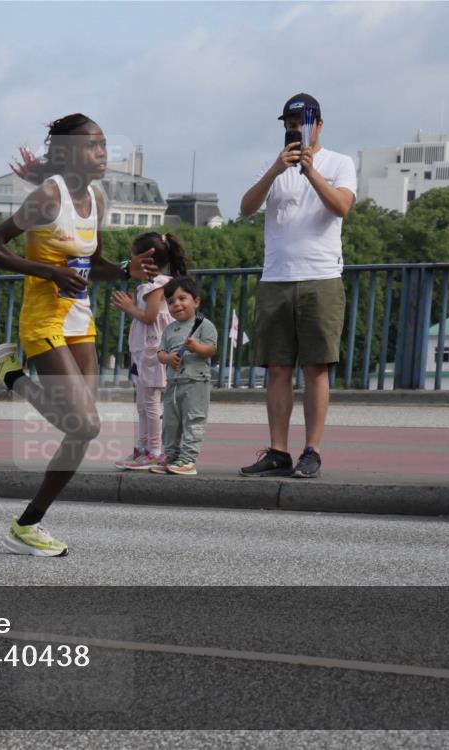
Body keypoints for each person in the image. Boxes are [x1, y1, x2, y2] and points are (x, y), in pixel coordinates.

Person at [0, 113, 154, 556]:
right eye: (93, 146)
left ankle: (27, 525)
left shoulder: (97, 199)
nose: (103, 153)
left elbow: (94, 265)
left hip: (80, 320)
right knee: (86, 423)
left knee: (80, 431)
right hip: (43, 319)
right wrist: (47, 271)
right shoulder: (49, 197)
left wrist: (126, 270)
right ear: (68, 153)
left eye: (104, 145)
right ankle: (11, 376)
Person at [238, 93, 356, 479]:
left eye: (302, 124)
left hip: (321, 276)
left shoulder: (339, 163)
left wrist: (311, 171)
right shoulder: (273, 165)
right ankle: (277, 450)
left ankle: (312, 450)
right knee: (277, 367)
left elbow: (341, 207)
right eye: (290, 125)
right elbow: (246, 207)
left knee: (316, 367)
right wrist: (277, 169)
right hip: (276, 277)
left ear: (318, 125)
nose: (295, 131)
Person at [109, 232, 187, 470]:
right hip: (146, 351)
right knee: (143, 402)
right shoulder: (154, 285)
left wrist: (129, 307)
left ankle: (154, 450)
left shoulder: (156, 286)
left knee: (150, 403)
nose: (130, 262)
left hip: (152, 351)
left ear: (145, 260)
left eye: (133, 257)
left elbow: (149, 317)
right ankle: (143, 448)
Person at [148, 277, 217, 476]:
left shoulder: (204, 325)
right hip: (173, 383)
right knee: (170, 422)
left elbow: (210, 350)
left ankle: (188, 459)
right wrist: (169, 358)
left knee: (193, 420)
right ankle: (170, 456)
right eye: (171, 301)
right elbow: (160, 353)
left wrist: (196, 347)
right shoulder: (169, 329)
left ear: (196, 301)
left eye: (182, 298)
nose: (176, 304)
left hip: (196, 382)